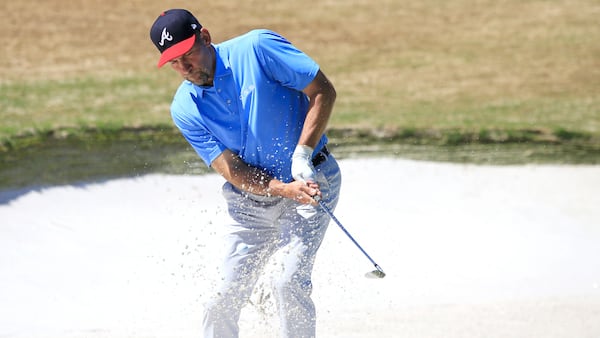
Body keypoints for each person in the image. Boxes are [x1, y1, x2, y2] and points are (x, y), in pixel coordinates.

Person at [149, 9, 341, 338]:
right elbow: (232, 170)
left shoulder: (257, 48)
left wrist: (302, 153)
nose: (184, 68)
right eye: (173, 63)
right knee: (219, 300)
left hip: (312, 181)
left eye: (187, 55)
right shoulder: (184, 108)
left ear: (205, 37)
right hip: (250, 202)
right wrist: (283, 188)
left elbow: (322, 90)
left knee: (286, 282)